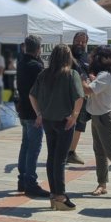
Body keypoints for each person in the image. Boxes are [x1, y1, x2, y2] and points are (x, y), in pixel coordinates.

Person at [30, 44, 85, 211]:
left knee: (52, 157)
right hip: (64, 121)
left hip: (48, 120)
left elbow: (32, 95)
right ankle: (60, 195)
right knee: (60, 159)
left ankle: (54, 194)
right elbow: (79, 96)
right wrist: (75, 115)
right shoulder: (71, 74)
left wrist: (39, 113)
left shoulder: (44, 74)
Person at [82, 46, 111, 196]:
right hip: (97, 116)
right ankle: (102, 184)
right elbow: (95, 87)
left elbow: (87, 90)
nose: (93, 60)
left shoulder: (106, 75)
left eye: (96, 57)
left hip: (105, 117)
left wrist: (80, 78)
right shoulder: (105, 75)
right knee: (99, 152)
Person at [14, 36, 50, 198]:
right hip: (35, 112)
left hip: (23, 109)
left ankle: (22, 180)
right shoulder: (36, 66)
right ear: (38, 48)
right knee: (34, 148)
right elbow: (42, 90)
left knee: (26, 145)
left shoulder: (21, 63)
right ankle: (30, 182)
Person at [65, 32, 91, 164]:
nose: (80, 44)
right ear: (73, 40)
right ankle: (64, 151)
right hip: (68, 96)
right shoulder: (66, 55)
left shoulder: (87, 57)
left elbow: (90, 72)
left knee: (80, 125)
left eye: (83, 41)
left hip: (83, 96)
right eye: (78, 41)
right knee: (68, 123)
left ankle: (71, 152)